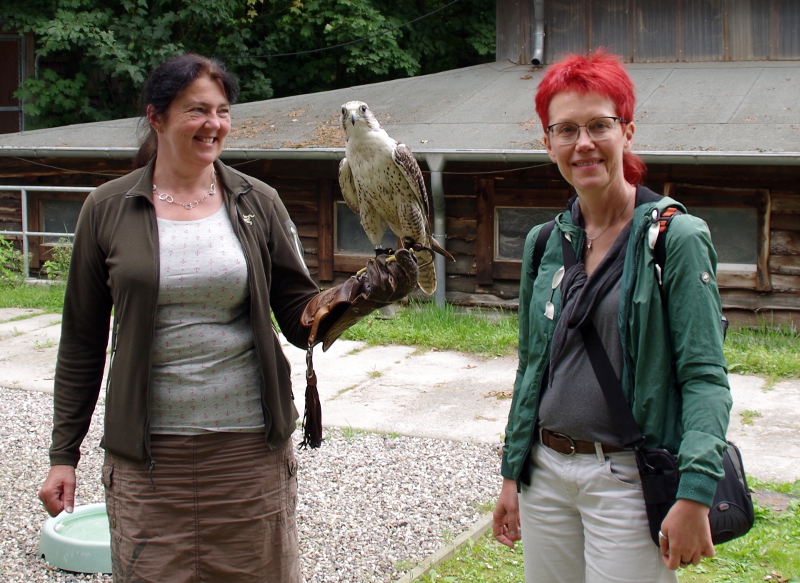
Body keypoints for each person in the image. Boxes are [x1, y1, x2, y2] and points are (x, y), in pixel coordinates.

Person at [37, 53, 418, 582]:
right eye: (196, 110)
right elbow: (81, 340)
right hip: (148, 459)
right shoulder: (107, 209)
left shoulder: (256, 202)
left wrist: (363, 294)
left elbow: (297, 313)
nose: (213, 124)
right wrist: (64, 454)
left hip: (248, 452)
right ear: (156, 117)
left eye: (222, 111)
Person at [492, 50, 732, 582]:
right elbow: (531, 368)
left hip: (625, 477)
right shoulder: (544, 243)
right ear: (547, 142)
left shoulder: (674, 238)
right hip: (546, 475)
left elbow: (705, 377)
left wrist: (695, 493)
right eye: (566, 129)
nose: (583, 143)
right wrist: (513, 473)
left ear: (627, 131)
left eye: (599, 125)